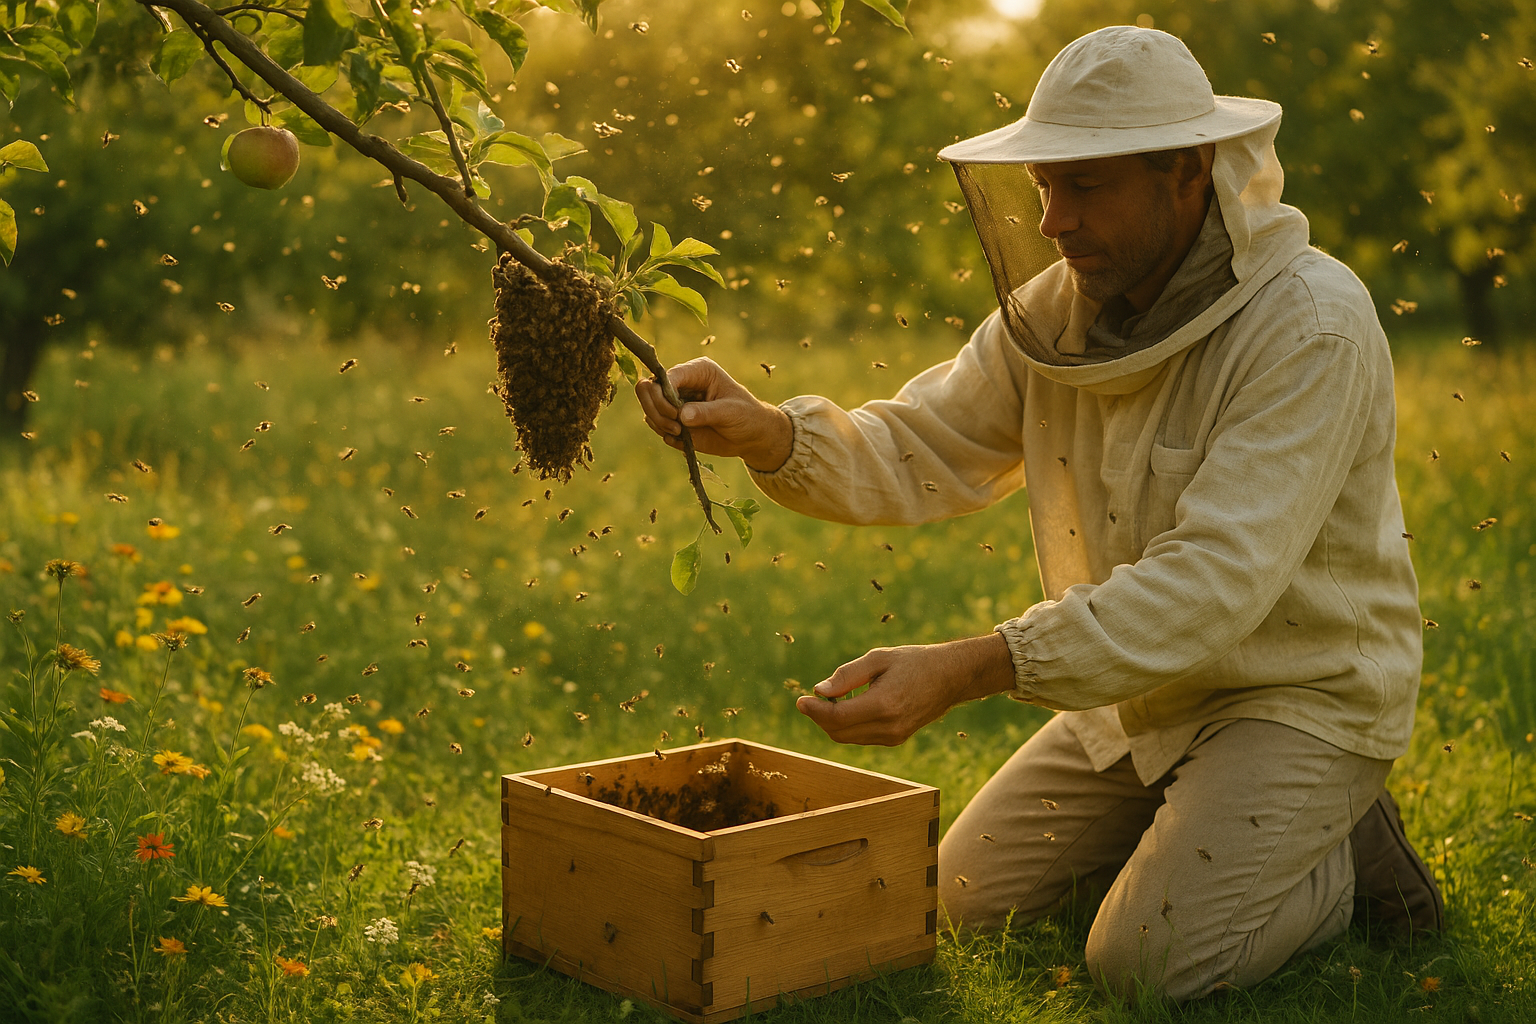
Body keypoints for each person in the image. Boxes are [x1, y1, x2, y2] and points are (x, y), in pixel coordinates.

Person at [635, 25, 1442, 1001]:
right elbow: (920, 444)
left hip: (1297, 694)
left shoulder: (1310, 324)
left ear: (1187, 172)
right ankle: (1202, 835)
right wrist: (769, 433)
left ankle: (1338, 862)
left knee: (1146, 964)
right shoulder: (1060, 312)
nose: (1053, 220)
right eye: (1045, 187)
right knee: (961, 896)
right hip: (1135, 695)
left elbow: (1213, 583)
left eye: (1085, 187)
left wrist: (974, 666)